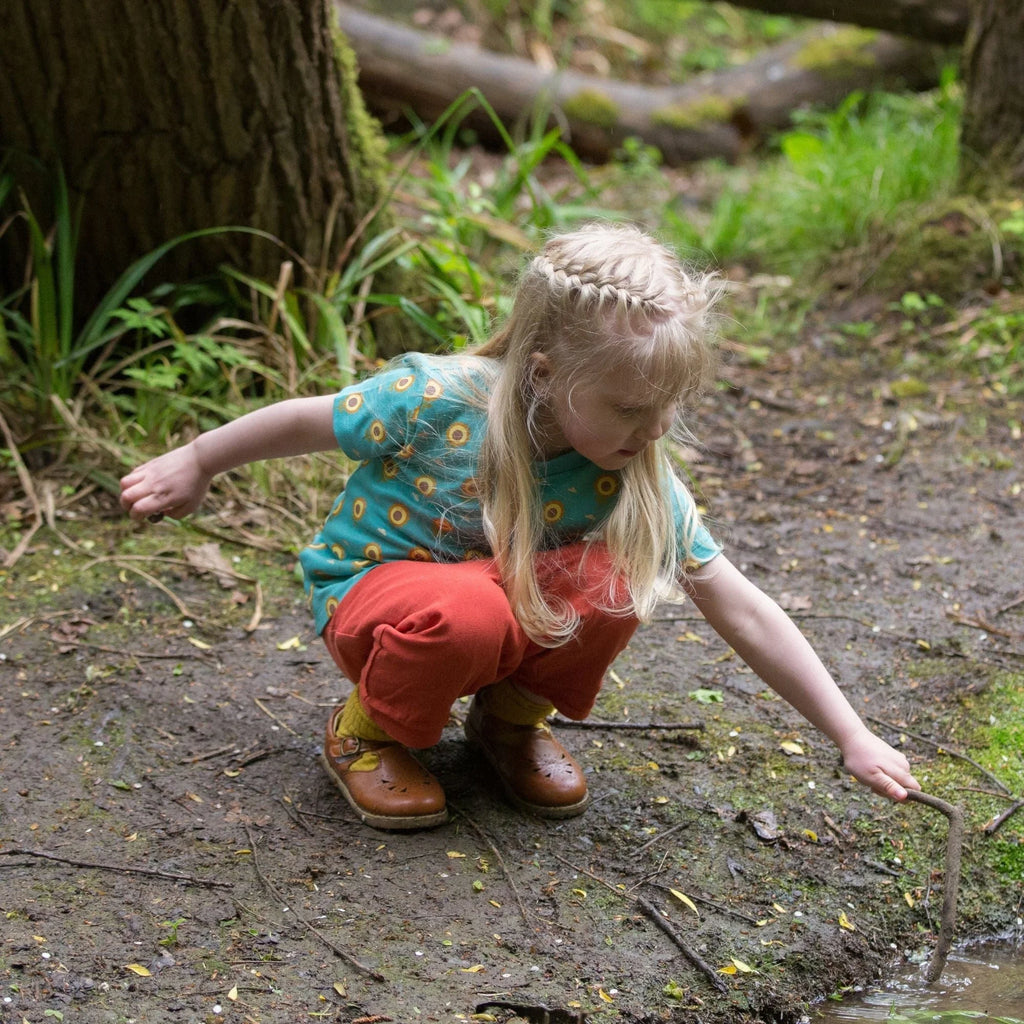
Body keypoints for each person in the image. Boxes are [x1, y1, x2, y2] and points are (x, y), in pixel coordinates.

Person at [120, 223, 920, 831]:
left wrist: (850, 734)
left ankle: (504, 725)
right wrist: (197, 460)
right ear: (546, 372)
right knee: (472, 610)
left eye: (669, 406)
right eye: (631, 408)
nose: (654, 429)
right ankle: (363, 731)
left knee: (616, 580)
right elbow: (308, 421)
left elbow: (739, 604)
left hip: (499, 611)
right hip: (379, 601)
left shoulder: (630, 467)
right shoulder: (442, 400)